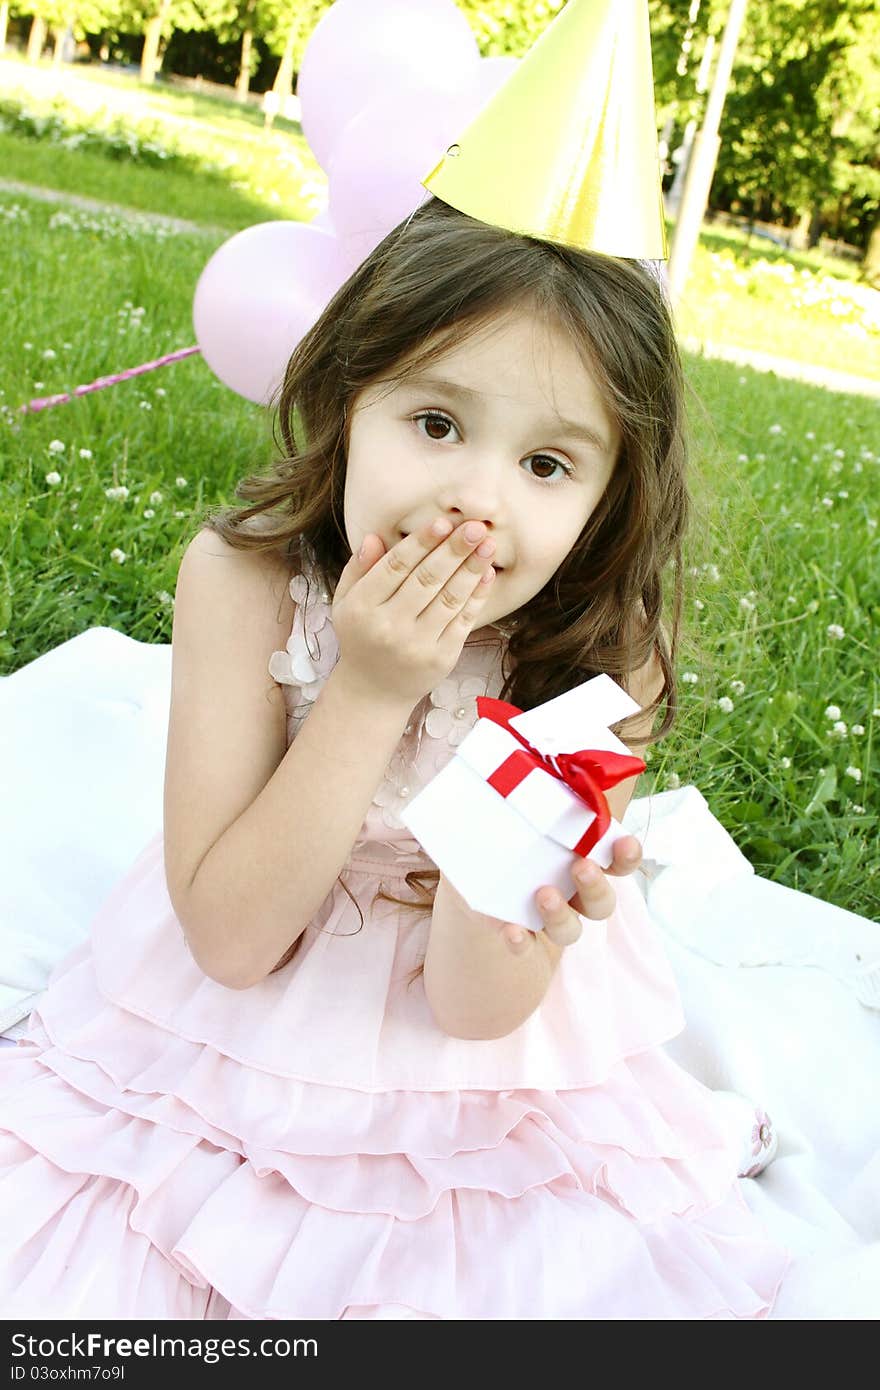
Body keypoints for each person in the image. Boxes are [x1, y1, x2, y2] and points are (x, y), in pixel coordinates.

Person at [0, 194, 791, 1319]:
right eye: (435, 423)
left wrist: (503, 853)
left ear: (612, 494)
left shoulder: (599, 662)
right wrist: (370, 688)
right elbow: (229, 941)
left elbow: (474, 1013)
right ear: (347, 396)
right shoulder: (244, 581)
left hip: (472, 1040)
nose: (478, 496)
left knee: (509, 1253)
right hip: (255, 952)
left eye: (549, 463)